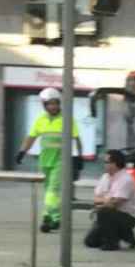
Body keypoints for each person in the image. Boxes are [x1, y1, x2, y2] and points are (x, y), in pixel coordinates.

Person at [16, 88, 82, 233]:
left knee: (52, 191)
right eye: (49, 104)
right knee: (48, 191)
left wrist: (78, 157)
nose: (53, 106)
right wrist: (22, 151)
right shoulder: (41, 120)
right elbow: (31, 137)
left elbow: (76, 139)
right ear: (44, 105)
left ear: (59, 103)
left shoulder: (67, 119)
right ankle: (47, 216)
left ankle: (56, 218)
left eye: (55, 103)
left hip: (61, 161)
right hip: (44, 161)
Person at [84, 149, 135, 251]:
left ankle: (112, 243)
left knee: (104, 212)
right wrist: (106, 201)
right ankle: (126, 236)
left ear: (115, 164)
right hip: (110, 213)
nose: (104, 164)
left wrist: (103, 202)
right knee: (90, 242)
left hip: (127, 217)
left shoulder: (126, 179)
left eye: (106, 162)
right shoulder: (105, 177)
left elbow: (116, 203)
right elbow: (96, 198)